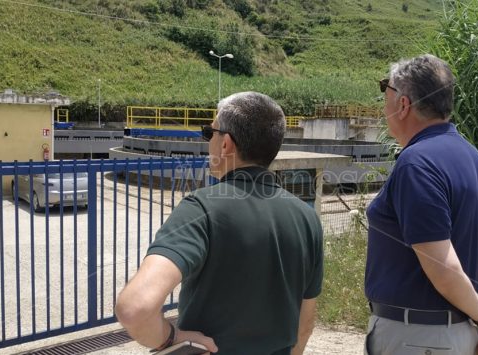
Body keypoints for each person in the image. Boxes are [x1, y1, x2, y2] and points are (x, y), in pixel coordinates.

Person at [115, 91, 324, 355]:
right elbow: (304, 327)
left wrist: (171, 338)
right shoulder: (306, 218)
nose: (208, 141)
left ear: (226, 144)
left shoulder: (200, 209)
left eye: (208, 132)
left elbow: (135, 308)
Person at [364, 54, 478, 355]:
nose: (382, 107)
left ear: (402, 104)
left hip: (417, 338)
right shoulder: (476, 161)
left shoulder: (417, 163)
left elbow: (442, 265)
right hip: (456, 336)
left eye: (386, 93)